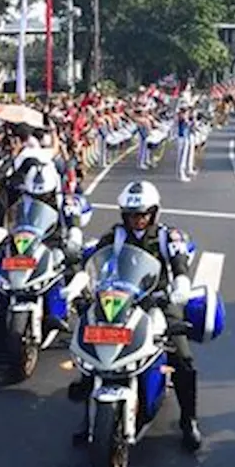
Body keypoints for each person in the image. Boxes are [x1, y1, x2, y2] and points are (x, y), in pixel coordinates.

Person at [69, 180, 202, 450]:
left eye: (143, 214)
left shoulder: (168, 236)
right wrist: (79, 282)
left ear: (153, 213)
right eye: (132, 214)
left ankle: (189, 419)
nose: (137, 220)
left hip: (158, 300)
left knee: (182, 356)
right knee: (92, 347)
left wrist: (181, 284)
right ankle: (89, 416)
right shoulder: (116, 235)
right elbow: (93, 260)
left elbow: (179, 263)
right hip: (119, 298)